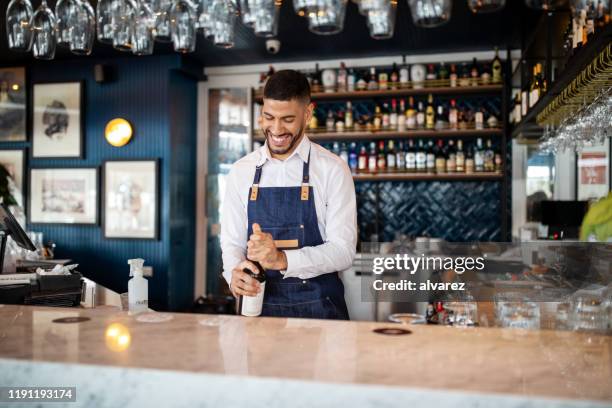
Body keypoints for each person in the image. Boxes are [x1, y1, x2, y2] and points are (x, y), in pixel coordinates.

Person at [220, 70, 357, 319]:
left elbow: (343, 251)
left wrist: (281, 259)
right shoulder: (241, 171)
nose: (276, 129)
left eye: (287, 119)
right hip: (259, 311)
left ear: (307, 114)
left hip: (321, 313)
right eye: (268, 117)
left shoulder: (333, 169)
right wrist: (233, 273)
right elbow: (232, 244)